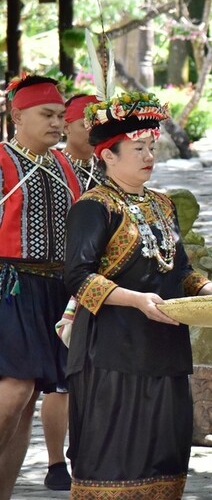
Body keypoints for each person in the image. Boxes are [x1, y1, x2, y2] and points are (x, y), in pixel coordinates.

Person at [63, 91, 212, 497]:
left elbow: (180, 272)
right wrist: (135, 300)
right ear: (107, 155)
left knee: (164, 453)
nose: (149, 155)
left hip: (165, 346)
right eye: (138, 148)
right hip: (113, 350)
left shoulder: (164, 206)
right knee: (115, 457)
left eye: (152, 146)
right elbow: (77, 277)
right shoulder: (94, 207)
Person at [0, 74, 82, 500]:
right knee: (14, 389)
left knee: (27, 400)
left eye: (60, 116)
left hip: (55, 290)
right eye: (46, 115)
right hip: (9, 286)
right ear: (17, 115)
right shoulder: (0, 160)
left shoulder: (66, 166)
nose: (57, 123)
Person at [38, 94, 104, 492]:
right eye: (86, 123)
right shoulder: (53, 168)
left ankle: (87, 453)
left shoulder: (112, 166)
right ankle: (53, 461)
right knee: (60, 381)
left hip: (104, 284)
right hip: (61, 283)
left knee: (92, 376)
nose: (94, 132)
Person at [63, 94, 104, 190]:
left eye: (98, 125)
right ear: (66, 128)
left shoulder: (109, 168)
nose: (93, 132)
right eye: (85, 125)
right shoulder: (57, 167)